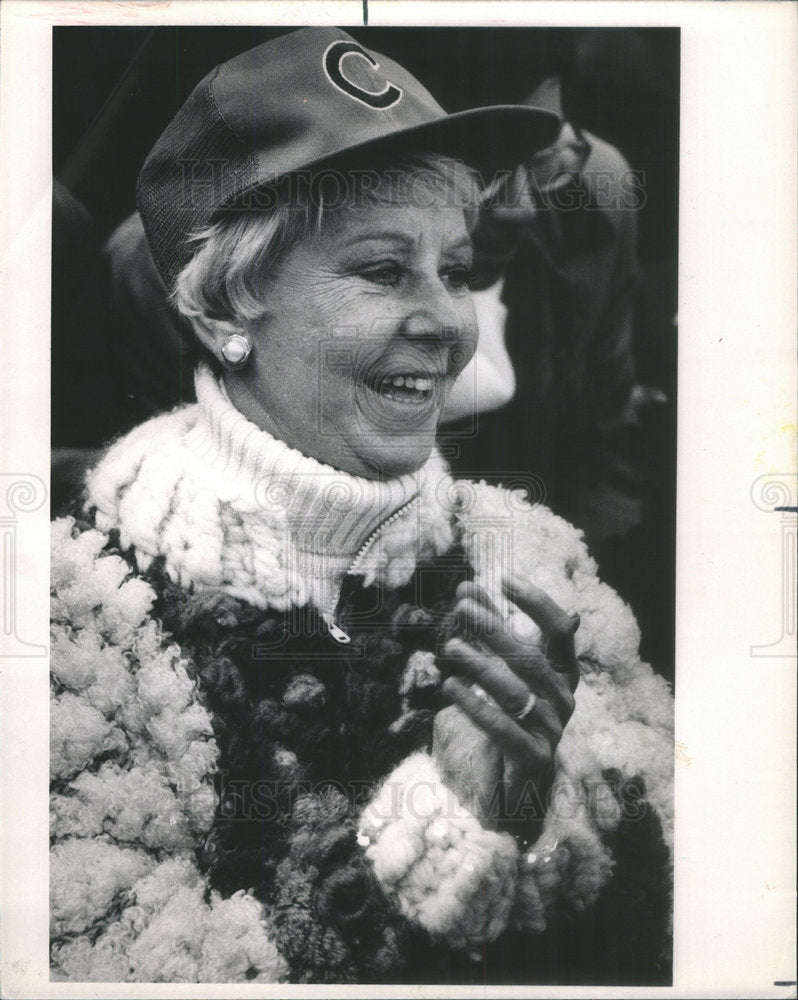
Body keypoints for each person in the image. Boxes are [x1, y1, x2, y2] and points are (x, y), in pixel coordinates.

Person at [49, 28, 673, 985]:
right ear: (223, 311)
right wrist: (451, 825)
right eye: (383, 271)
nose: (450, 322)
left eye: (456, 270)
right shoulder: (75, 629)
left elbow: (682, 902)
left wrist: (540, 822)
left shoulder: (536, 559)